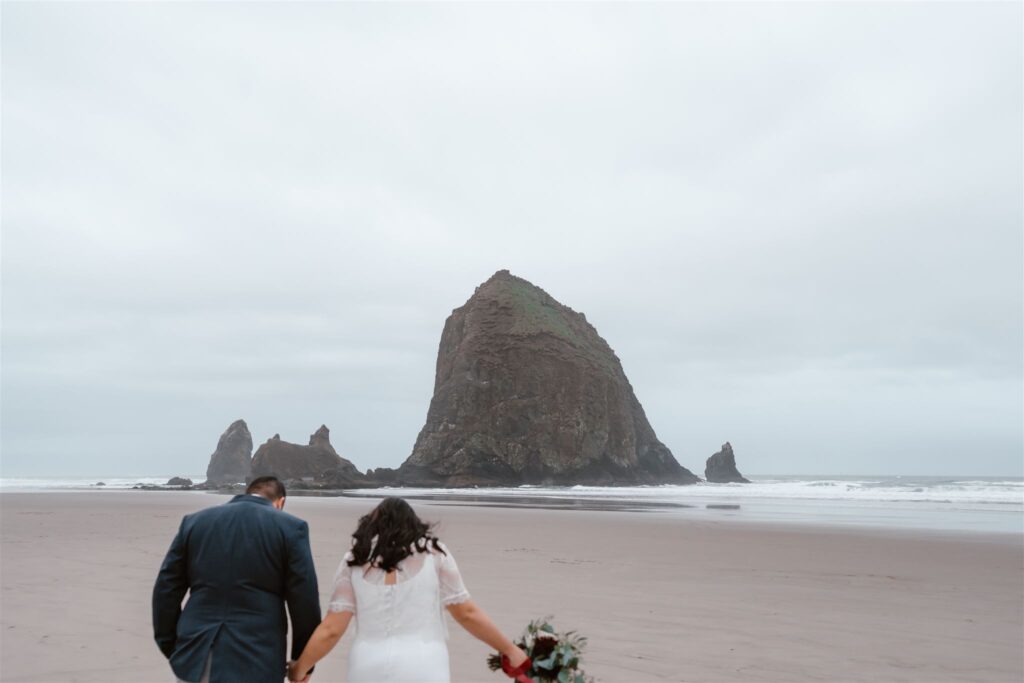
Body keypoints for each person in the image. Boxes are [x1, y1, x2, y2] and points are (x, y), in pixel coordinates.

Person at [287, 497, 528, 683]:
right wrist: (510, 650)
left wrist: (299, 669)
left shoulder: (354, 561)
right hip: (425, 665)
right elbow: (466, 613)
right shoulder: (434, 554)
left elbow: (331, 628)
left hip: (368, 666)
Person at [152, 476, 321, 683]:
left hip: (196, 654)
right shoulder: (291, 528)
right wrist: (303, 662)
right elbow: (304, 602)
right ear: (281, 502)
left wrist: (172, 646)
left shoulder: (194, 522)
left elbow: (165, 590)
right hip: (258, 659)